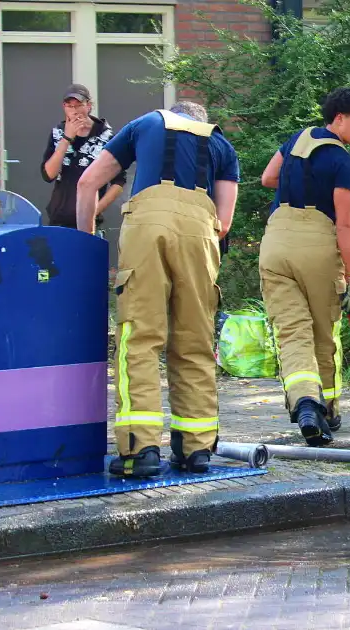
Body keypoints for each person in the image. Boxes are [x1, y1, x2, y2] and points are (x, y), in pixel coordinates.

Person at [77, 101, 240, 478]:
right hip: (201, 235)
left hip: (147, 231)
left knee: (139, 337)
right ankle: (195, 450)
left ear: (174, 114)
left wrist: (86, 240)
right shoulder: (222, 146)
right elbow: (224, 222)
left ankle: (140, 449)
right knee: (195, 342)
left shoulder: (146, 122)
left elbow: (88, 182)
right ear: (199, 123)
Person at [257, 87, 350, 446]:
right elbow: (345, 226)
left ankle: (304, 402)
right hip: (317, 246)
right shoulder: (343, 163)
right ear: (339, 118)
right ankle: (328, 409)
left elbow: (268, 178)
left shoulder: (297, 139)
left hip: (275, 243)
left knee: (291, 332)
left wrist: (302, 186)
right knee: (324, 334)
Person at [40, 84, 126, 230]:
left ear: (89, 106)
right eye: (69, 106)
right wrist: (66, 138)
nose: (74, 111)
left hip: (89, 222)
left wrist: (95, 210)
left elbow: (118, 183)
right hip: (59, 218)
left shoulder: (106, 137)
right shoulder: (58, 133)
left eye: (79, 105)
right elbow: (48, 175)